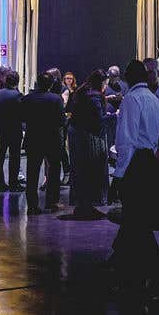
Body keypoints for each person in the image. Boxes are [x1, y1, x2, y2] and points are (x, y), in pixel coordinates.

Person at [110, 59, 159, 299]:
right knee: (138, 216)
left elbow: (126, 139)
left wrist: (119, 174)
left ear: (128, 77)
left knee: (136, 217)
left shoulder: (132, 100)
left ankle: (153, 268)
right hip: (151, 161)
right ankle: (121, 260)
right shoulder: (154, 99)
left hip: (137, 162)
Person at [65, 70, 109, 220]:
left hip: (77, 136)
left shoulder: (82, 91)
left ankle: (82, 204)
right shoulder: (95, 96)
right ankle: (89, 205)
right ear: (101, 82)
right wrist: (114, 116)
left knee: (80, 170)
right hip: (89, 138)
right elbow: (98, 119)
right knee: (92, 170)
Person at [21, 73, 65, 214]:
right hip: (52, 139)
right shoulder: (56, 99)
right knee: (54, 171)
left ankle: (32, 205)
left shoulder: (27, 98)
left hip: (33, 138)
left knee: (32, 172)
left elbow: (23, 118)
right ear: (51, 84)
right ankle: (52, 202)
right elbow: (61, 121)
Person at [0, 70, 24, 192]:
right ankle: (13, 183)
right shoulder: (18, 95)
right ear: (17, 81)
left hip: (2, 129)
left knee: (0, 157)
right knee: (15, 157)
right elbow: (23, 115)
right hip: (15, 130)